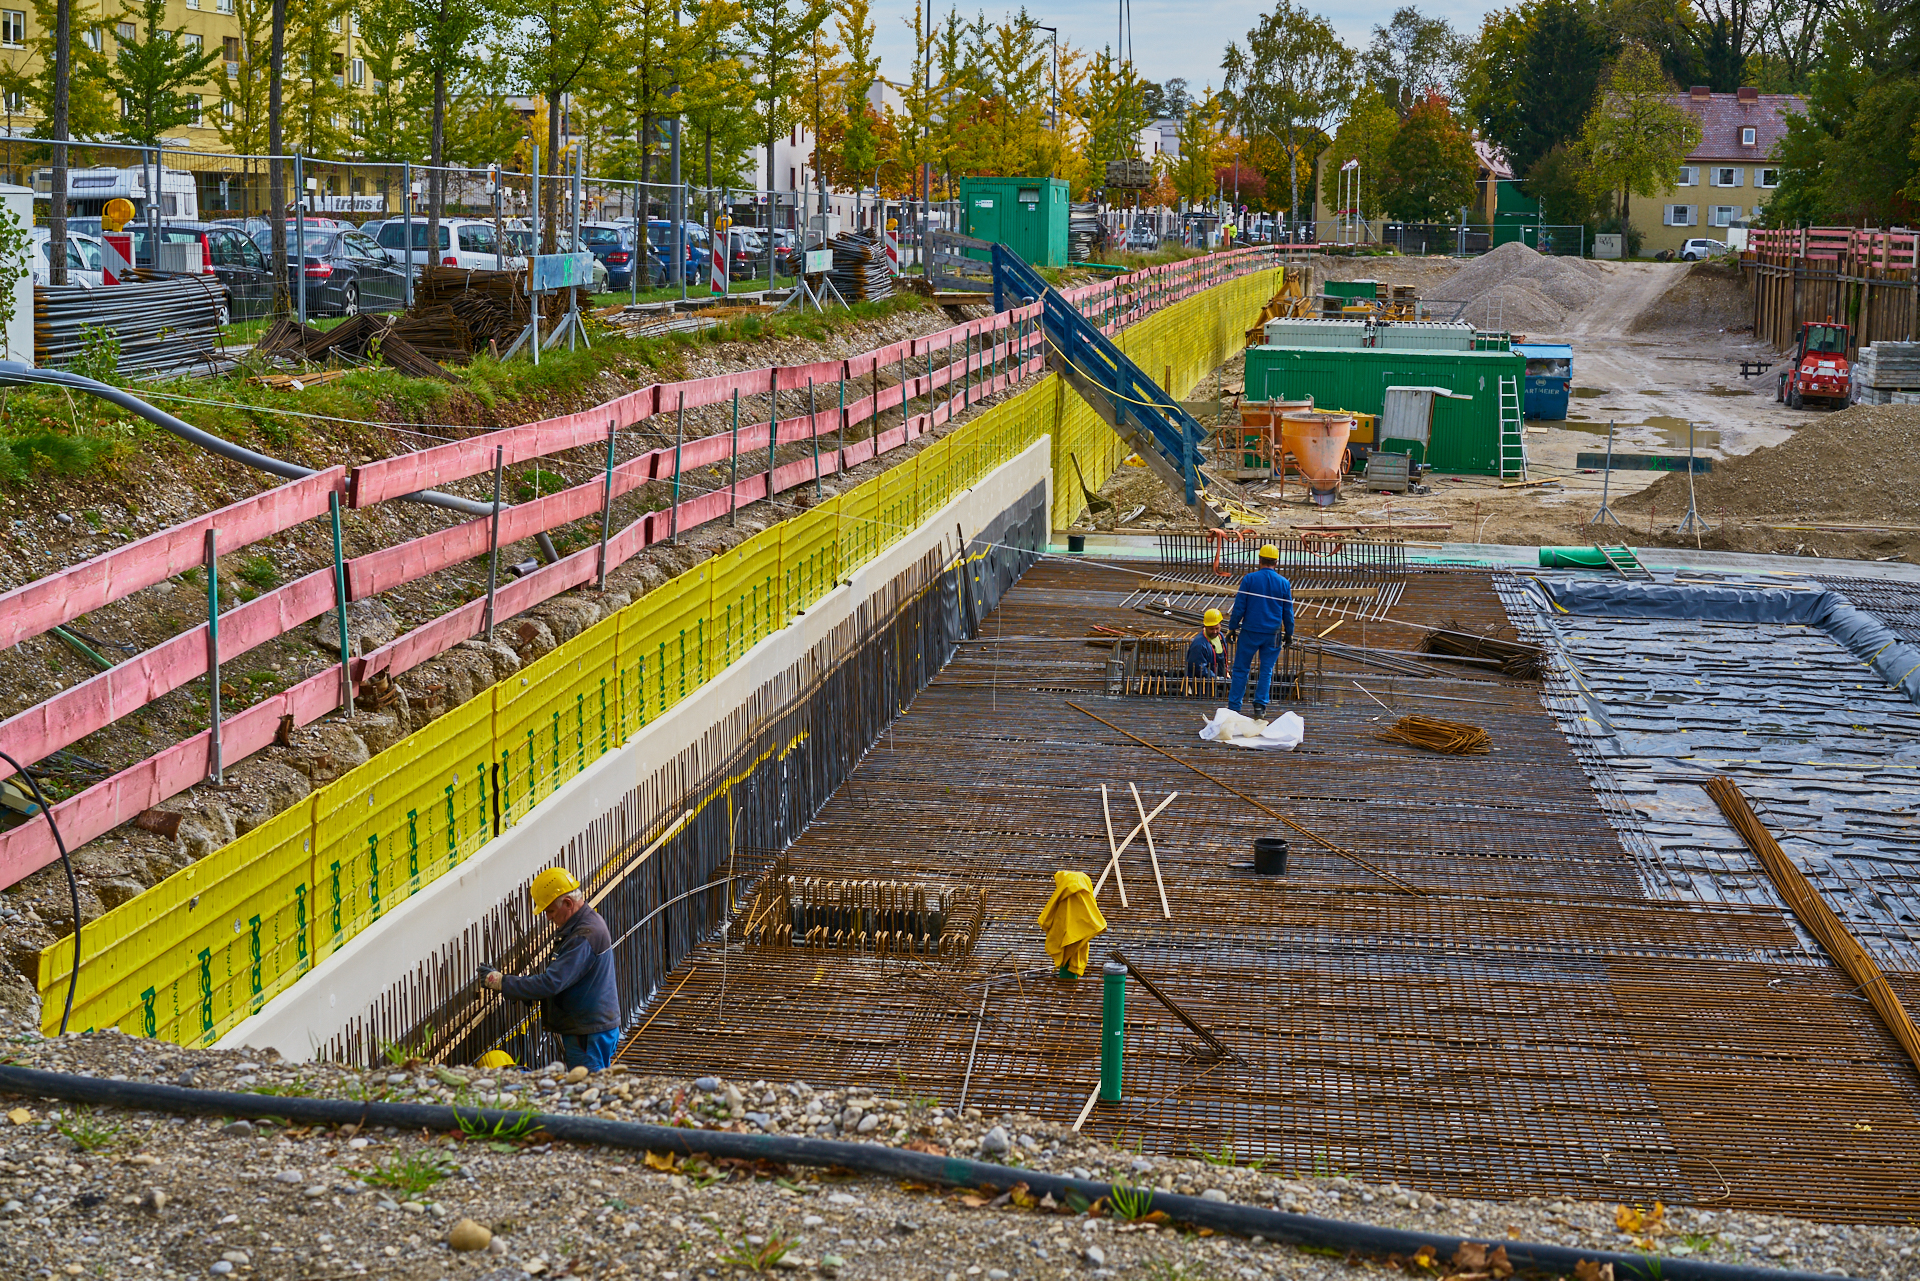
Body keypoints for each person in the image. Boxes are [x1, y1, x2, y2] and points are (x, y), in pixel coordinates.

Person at [482, 868, 620, 1072]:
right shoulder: (584, 925)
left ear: (567, 903)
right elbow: (566, 979)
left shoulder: (583, 936)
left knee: (589, 1090)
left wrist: (503, 982)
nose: (547, 917)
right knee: (591, 1085)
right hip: (592, 1028)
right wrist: (527, 991)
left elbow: (552, 983)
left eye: (550, 911)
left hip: (588, 1033)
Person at [1226, 544, 1295, 718]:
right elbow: (1288, 611)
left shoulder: (1249, 579)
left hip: (1250, 631)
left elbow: (1239, 606)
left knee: (1241, 669)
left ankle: (1234, 707)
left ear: (1260, 560)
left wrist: (1232, 627)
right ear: (1276, 562)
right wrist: (1289, 633)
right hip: (1273, 634)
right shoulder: (1283, 583)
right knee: (1266, 670)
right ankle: (1259, 707)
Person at [1185, 607, 1228, 689]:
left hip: (1218, 681)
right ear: (1205, 626)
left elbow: (1223, 659)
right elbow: (1198, 668)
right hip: (1203, 686)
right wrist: (1214, 678)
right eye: (1211, 629)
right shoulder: (1199, 644)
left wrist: (1226, 673)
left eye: (1217, 628)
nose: (1215, 632)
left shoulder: (1220, 636)